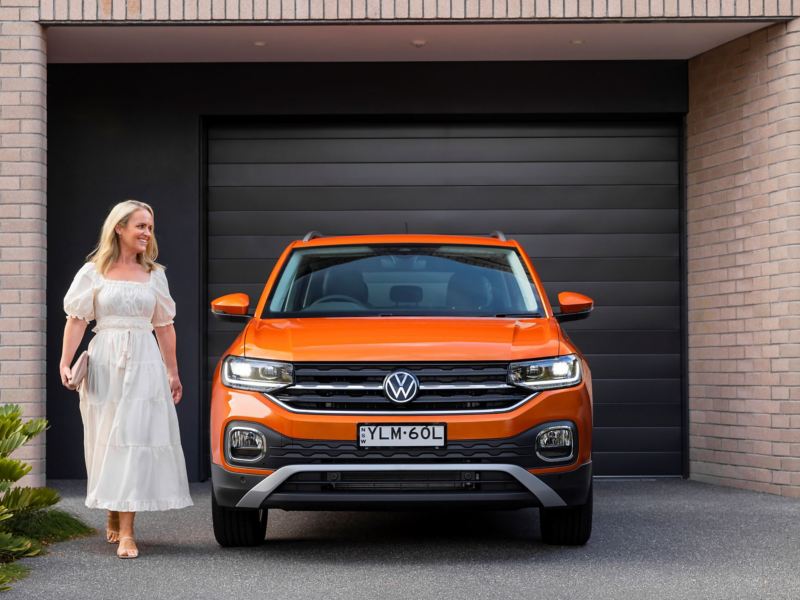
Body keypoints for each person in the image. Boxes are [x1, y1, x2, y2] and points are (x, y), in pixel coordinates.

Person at [59, 200, 193, 559]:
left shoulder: (155, 274)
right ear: (119, 228)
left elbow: (165, 326)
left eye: (150, 227)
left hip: (144, 362)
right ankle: (113, 508)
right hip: (104, 361)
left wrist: (173, 371)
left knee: (133, 437)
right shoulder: (93, 272)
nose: (147, 233)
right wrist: (65, 361)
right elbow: (77, 319)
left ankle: (129, 532)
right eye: (140, 226)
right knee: (106, 437)